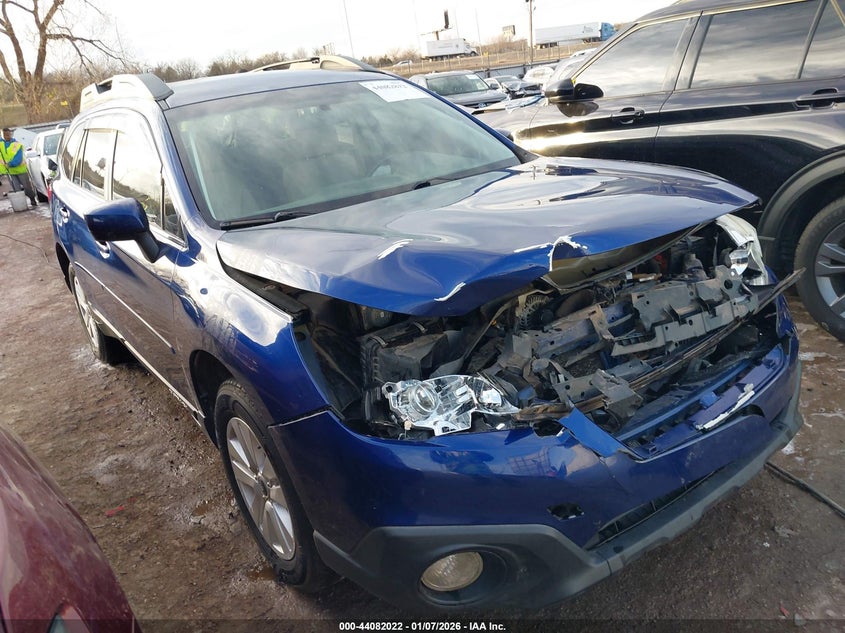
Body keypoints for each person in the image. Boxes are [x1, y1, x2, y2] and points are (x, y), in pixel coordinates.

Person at [0, 127, 38, 207]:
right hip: (10, 171)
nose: (6, 136)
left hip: (20, 170)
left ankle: (32, 198)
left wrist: (10, 164)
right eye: (4, 135)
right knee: (17, 190)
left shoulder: (16, 145)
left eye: (8, 134)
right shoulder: (1, 144)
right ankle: (21, 204)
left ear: (10, 134)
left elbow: (18, 158)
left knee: (27, 187)